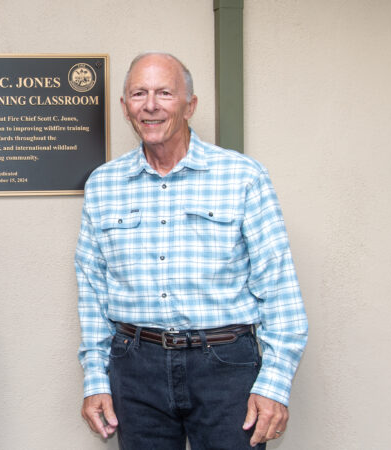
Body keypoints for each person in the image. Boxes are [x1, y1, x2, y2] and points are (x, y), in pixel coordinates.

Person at [75, 52, 308, 449]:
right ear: (125, 107)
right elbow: (92, 288)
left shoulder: (242, 177)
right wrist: (96, 378)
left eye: (165, 92)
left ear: (190, 105)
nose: (150, 105)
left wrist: (274, 383)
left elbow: (278, 286)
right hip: (135, 368)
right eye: (138, 93)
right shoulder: (103, 184)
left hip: (226, 367)